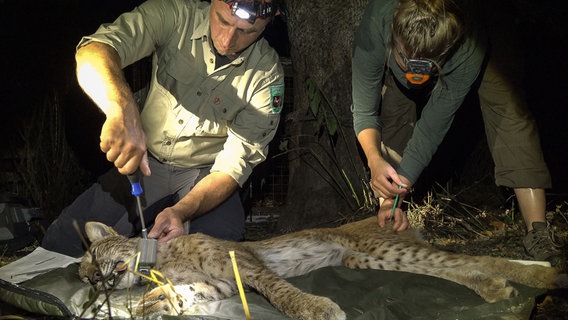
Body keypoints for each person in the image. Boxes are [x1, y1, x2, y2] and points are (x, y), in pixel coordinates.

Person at [42, 0, 285, 257]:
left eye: (247, 31)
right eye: (222, 20)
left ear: (273, 18)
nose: (226, 41)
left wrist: (181, 211)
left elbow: (233, 167)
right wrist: (121, 108)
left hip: (207, 174)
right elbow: (95, 50)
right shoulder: (174, 16)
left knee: (217, 250)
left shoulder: (267, 77)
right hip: (147, 162)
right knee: (64, 241)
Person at [352, 0, 565, 268]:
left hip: (478, 19)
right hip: (399, 37)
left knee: (507, 106)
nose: (414, 72)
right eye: (406, 60)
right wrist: (375, 163)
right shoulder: (376, 25)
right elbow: (364, 109)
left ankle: (538, 231)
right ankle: (389, 211)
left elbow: (433, 125)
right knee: (394, 102)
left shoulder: (466, 47)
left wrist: (403, 179)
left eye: (425, 66)